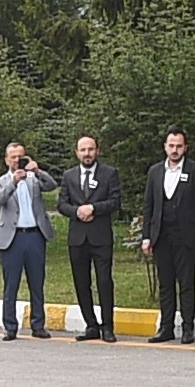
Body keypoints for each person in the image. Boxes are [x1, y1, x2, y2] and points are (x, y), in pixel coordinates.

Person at [145, 128, 195, 343]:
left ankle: (188, 328)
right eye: (171, 146)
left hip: (186, 236)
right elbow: (149, 206)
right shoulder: (155, 172)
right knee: (165, 283)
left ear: (185, 148)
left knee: (186, 283)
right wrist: (147, 236)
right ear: (165, 146)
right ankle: (166, 328)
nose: (175, 150)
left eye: (179, 146)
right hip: (162, 235)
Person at [0, 142, 53, 343]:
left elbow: (52, 185)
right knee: (11, 284)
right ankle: (10, 326)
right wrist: (13, 182)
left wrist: (38, 170)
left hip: (34, 235)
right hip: (12, 237)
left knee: (37, 282)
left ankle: (38, 325)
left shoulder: (34, 179)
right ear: (7, 160)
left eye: (20, 156)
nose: (17, 160)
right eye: (13, 157)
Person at [61, 134, 123, 343]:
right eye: (83, 150)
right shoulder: (69, 176)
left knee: (104, 281)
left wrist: (94, 208)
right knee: (81, 282)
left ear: (97, 151)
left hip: (101, 236)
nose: (87, 154)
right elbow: (62, 204)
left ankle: (108, 326)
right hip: (78, 238)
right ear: (76, 152)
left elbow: (115, 201)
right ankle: (91, 325)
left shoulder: (109, 173)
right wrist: (77, 211)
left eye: (90, 149)